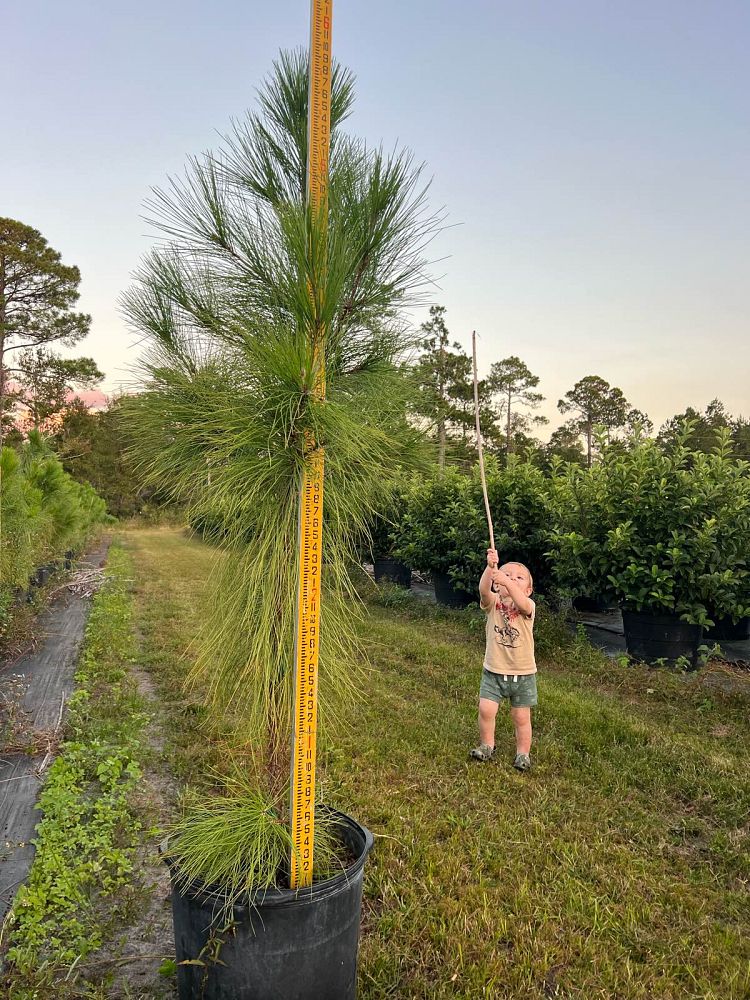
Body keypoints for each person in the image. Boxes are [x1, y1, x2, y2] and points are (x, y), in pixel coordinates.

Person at [469, 547, 536, 771]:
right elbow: (483, 590)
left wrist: (507, 583)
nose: (512, 579)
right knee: (486, 710)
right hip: (494, 671)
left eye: (519, 578)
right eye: (507, 574)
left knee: (521, 717)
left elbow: (522, 603)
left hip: (523, 674)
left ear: (528, 590)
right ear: (498, 584)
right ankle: (487, 745)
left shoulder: (528, 606)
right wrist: (490, 568)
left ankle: (523, 754)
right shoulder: (493, 604)